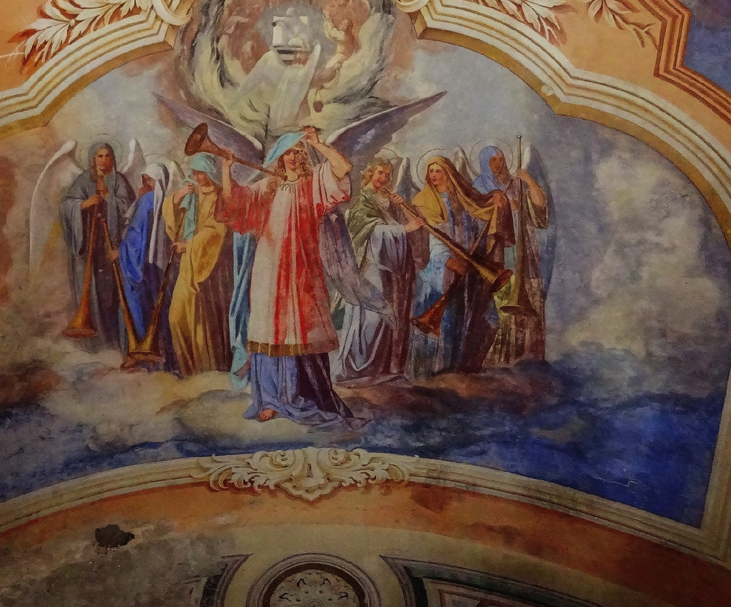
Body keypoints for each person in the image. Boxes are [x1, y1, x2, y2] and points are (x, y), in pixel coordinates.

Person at [216, 127, 359, 427]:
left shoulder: (314, 182)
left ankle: (301, 395)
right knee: (268, 328)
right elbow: (234, 204)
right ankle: (269, 399)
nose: (292, 157)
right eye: (287, 152)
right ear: (279, 157)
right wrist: (227, 170)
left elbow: (343, 168)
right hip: (269, 268)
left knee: (301, 329)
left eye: (297, 151)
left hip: (303, 269)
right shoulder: (268, 185)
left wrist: (318, 143)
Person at [408, 156, 513, 379]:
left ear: (449, 173)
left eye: (438, 170)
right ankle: (438, 375)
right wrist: (448, 262)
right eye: (430, 171)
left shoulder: (463, 199)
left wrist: (497, 203)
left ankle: (466, 370)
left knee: (488, 320)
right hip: (440, 271)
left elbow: (480, 219)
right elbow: (426, 242)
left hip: (470, 267)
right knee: (446, 323)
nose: (433, 175)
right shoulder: (424, 202)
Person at [333, 157, 429, 385]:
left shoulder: (386, 200)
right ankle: (358, 366)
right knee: (372, 315)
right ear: (369, 174)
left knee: (385, 317)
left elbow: (405, 227)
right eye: (380, 173)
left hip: (386, 267)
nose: (384, 178)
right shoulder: (361, 202)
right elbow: (371, 231)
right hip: (368, 267)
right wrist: (404, 229)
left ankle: (377, 367)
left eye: (387, 175)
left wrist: (401, 209)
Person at [475, 147, 549, 367]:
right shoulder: (478, 186)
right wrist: (503, 207)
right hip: (498, 251)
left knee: (528, 293)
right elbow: (475, 218)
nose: (498, 164)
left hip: (522, 247)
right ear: (484, 162)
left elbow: (539, 207)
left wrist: (529, 181)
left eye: (501, 159)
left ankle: (525, 357)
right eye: (493, 160)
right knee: (501, 299)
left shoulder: (515, 184)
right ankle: (497, 359)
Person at [163, 154, 235, 377]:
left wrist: (190, 245)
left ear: (210, 173)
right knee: (177, 317)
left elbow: (217, 231)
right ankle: (188, 369)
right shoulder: (191, 193)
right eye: (194, 172)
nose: (196, 177)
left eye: (201, 173)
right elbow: (172, 216)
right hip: (190, 263)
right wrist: (180, 195)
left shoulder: (218, 196)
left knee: (202, 320)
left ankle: (205, 371)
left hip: (208, 265)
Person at [60, 142, 135, 350]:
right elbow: (66, 205)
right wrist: (84, 205)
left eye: (107, 155)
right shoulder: (84, 180)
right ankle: (92, 343)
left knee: (110, 294)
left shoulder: (119, 181)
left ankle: (112, 342)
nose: (103, 160)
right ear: (93, 159)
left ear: (113, 158)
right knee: (90, 292)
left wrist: (107, 196)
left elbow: (130, 209)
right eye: (99, 156)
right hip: (89, 247)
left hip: (111, 246)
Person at [118, 162, 175, 369]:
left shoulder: (147, 201)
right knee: (159, 306)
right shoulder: (166, 202)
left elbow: (134, 234)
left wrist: (121, 251)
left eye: (149, 180)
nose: (146, 184)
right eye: (144, 180)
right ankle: (163, 357)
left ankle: (140, 352)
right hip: (157, 264)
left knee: (139, 305)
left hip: (140, 264)